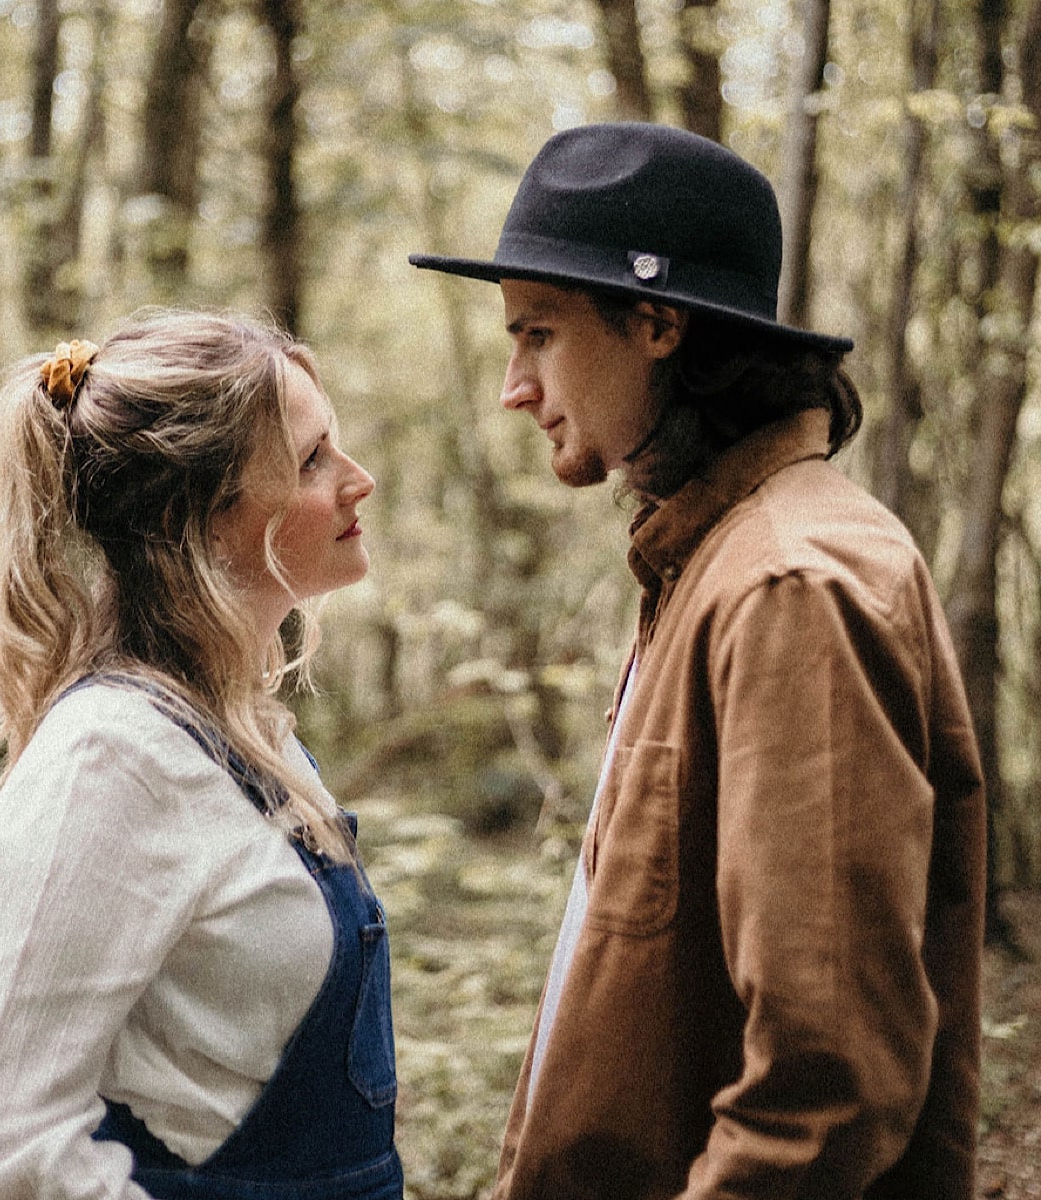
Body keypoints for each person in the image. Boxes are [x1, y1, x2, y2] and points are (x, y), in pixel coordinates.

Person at [410, 123, 986, 1199]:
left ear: (658, 325)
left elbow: (827, 1083)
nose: (512, 387)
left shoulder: (789, 586)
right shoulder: (715, 561)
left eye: (537, 334)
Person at [0, 309, 402, 1200]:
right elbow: (11, 1156)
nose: (360, 482)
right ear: (190, 516)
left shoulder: (248, 730)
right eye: (312, 459)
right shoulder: (108, 762)